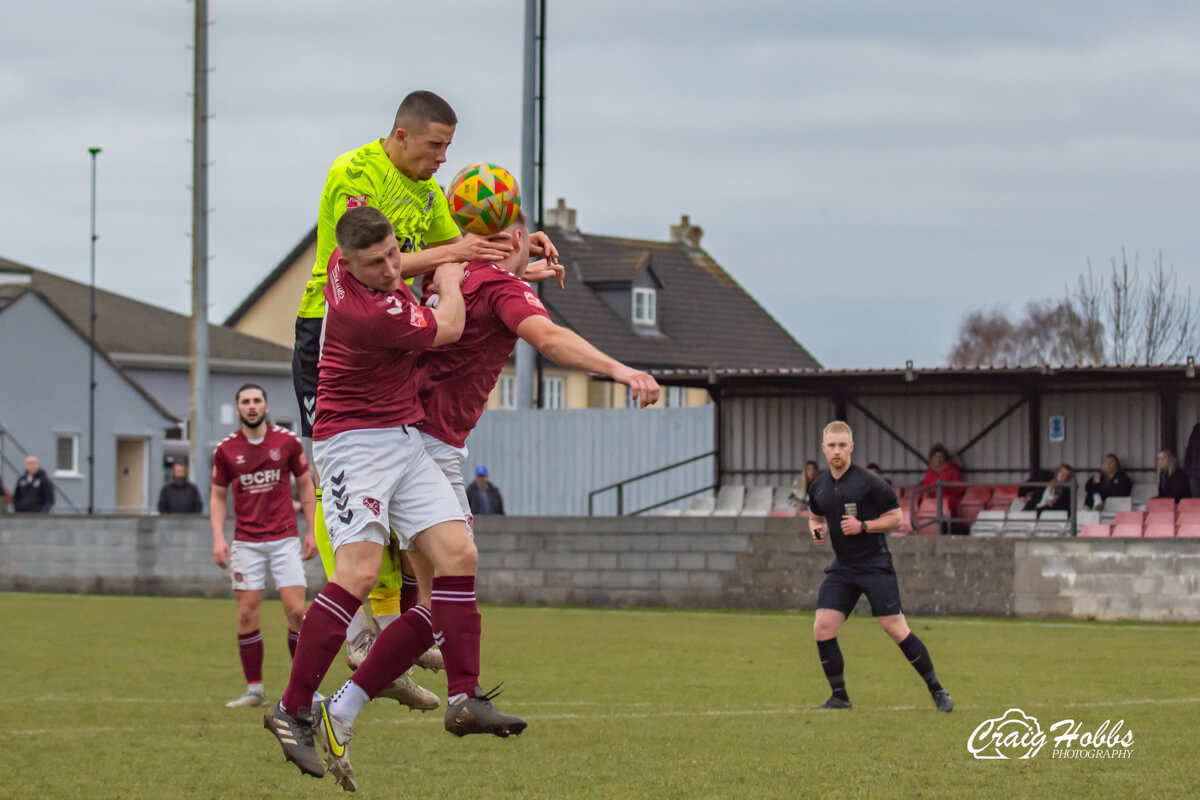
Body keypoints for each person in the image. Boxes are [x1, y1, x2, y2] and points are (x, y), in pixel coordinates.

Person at [292, 90, 561, 674]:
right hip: (333, 330)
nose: (443, 158)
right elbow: (362, 264)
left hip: (395, 333)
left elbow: (460, 253)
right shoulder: (355, 173)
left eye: (449, 147)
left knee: (404, 461)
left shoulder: (427, 192)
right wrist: (460, 252)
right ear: (401, 136)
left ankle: (396, 619)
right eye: (436, 145)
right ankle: (360, 621)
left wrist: (518, 251)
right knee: (335, 465)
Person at [264, 207, 525, 790]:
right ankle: (290, 706)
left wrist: (470, 253)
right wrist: (456, 270)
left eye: (391, 256)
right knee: (355, 571)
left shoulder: (342, 259)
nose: (389, 269)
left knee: (459, 553)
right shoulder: (373, 312)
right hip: (352, 444)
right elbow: (451, 327)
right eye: (377, 264)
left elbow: (409, 261)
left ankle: (465, 697)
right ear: (352, 265)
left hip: (402, 436)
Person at [806, 420, 953, 713]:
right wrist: (816, 530)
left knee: (895, 628)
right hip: (844, 568)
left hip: (874, 564)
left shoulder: (869, 482)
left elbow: (897, 518)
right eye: (831, 446)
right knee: (823, 627)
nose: (837, 451)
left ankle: (937, 689)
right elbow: (815, 516)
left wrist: (864, 526)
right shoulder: (818, 487)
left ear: (851, 448)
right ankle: (839, 698)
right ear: (823, 449)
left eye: (842, 445)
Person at [210, 384, 318, 708]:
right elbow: (217, 495)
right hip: (246, 542)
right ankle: (254, 690)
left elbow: (305, 484)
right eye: (245, 401)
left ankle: (303, 690)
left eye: (257, 400)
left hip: (285, 537)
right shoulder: (226, 449)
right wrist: (218, 536)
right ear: (238, 408)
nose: (252, 406)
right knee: (246, 614)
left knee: (298, 612)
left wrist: (312, 529)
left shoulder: (287, 441)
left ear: (266, 406)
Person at [921, 444, 964, 520]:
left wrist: (945, 485)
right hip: (933, 500)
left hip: (948, 500)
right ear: (932, 458)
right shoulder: (929, 472)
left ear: (945, 458)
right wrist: (928, 493)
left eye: (940, 456)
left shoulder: (952, 470)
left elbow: (959, 489)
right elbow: (925, 488)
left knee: (945, 505)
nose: (938, 459)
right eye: (936, 456)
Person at [1183, 421, 1200, 499]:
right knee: (1196, 503)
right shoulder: (1196, 430)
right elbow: (1189, 452)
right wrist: (1188, 471)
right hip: (1194, 474)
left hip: (1193, 474)